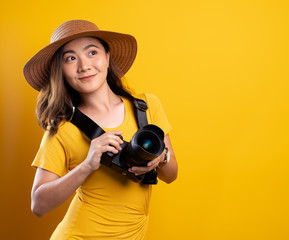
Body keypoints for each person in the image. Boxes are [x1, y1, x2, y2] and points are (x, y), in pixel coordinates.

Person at [23, 19, 178, 239]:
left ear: (107, 57)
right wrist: (87, 165)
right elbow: (38, 205)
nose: (84, 65)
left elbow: (171, 175)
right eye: (70, 58)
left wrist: (161, 157)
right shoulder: (62, 130)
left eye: (92, 52)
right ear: (61, 71)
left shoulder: (146, 107)